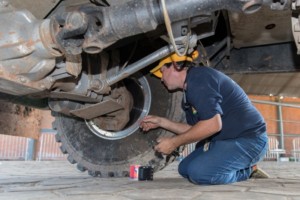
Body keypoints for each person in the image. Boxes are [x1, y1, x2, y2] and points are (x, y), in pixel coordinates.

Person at [140, 50, 269, 185]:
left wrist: (173, 143)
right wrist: (161, 122)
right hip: (224, 141)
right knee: (184, 169)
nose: (161, 79)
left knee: (200, 174)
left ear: (174, 65)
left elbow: (213, 124)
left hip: (249, 140)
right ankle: (232, 164)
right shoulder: (188, 93)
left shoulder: (199, 78)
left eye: (162, 71)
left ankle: (247, 171)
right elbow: (194, 129)